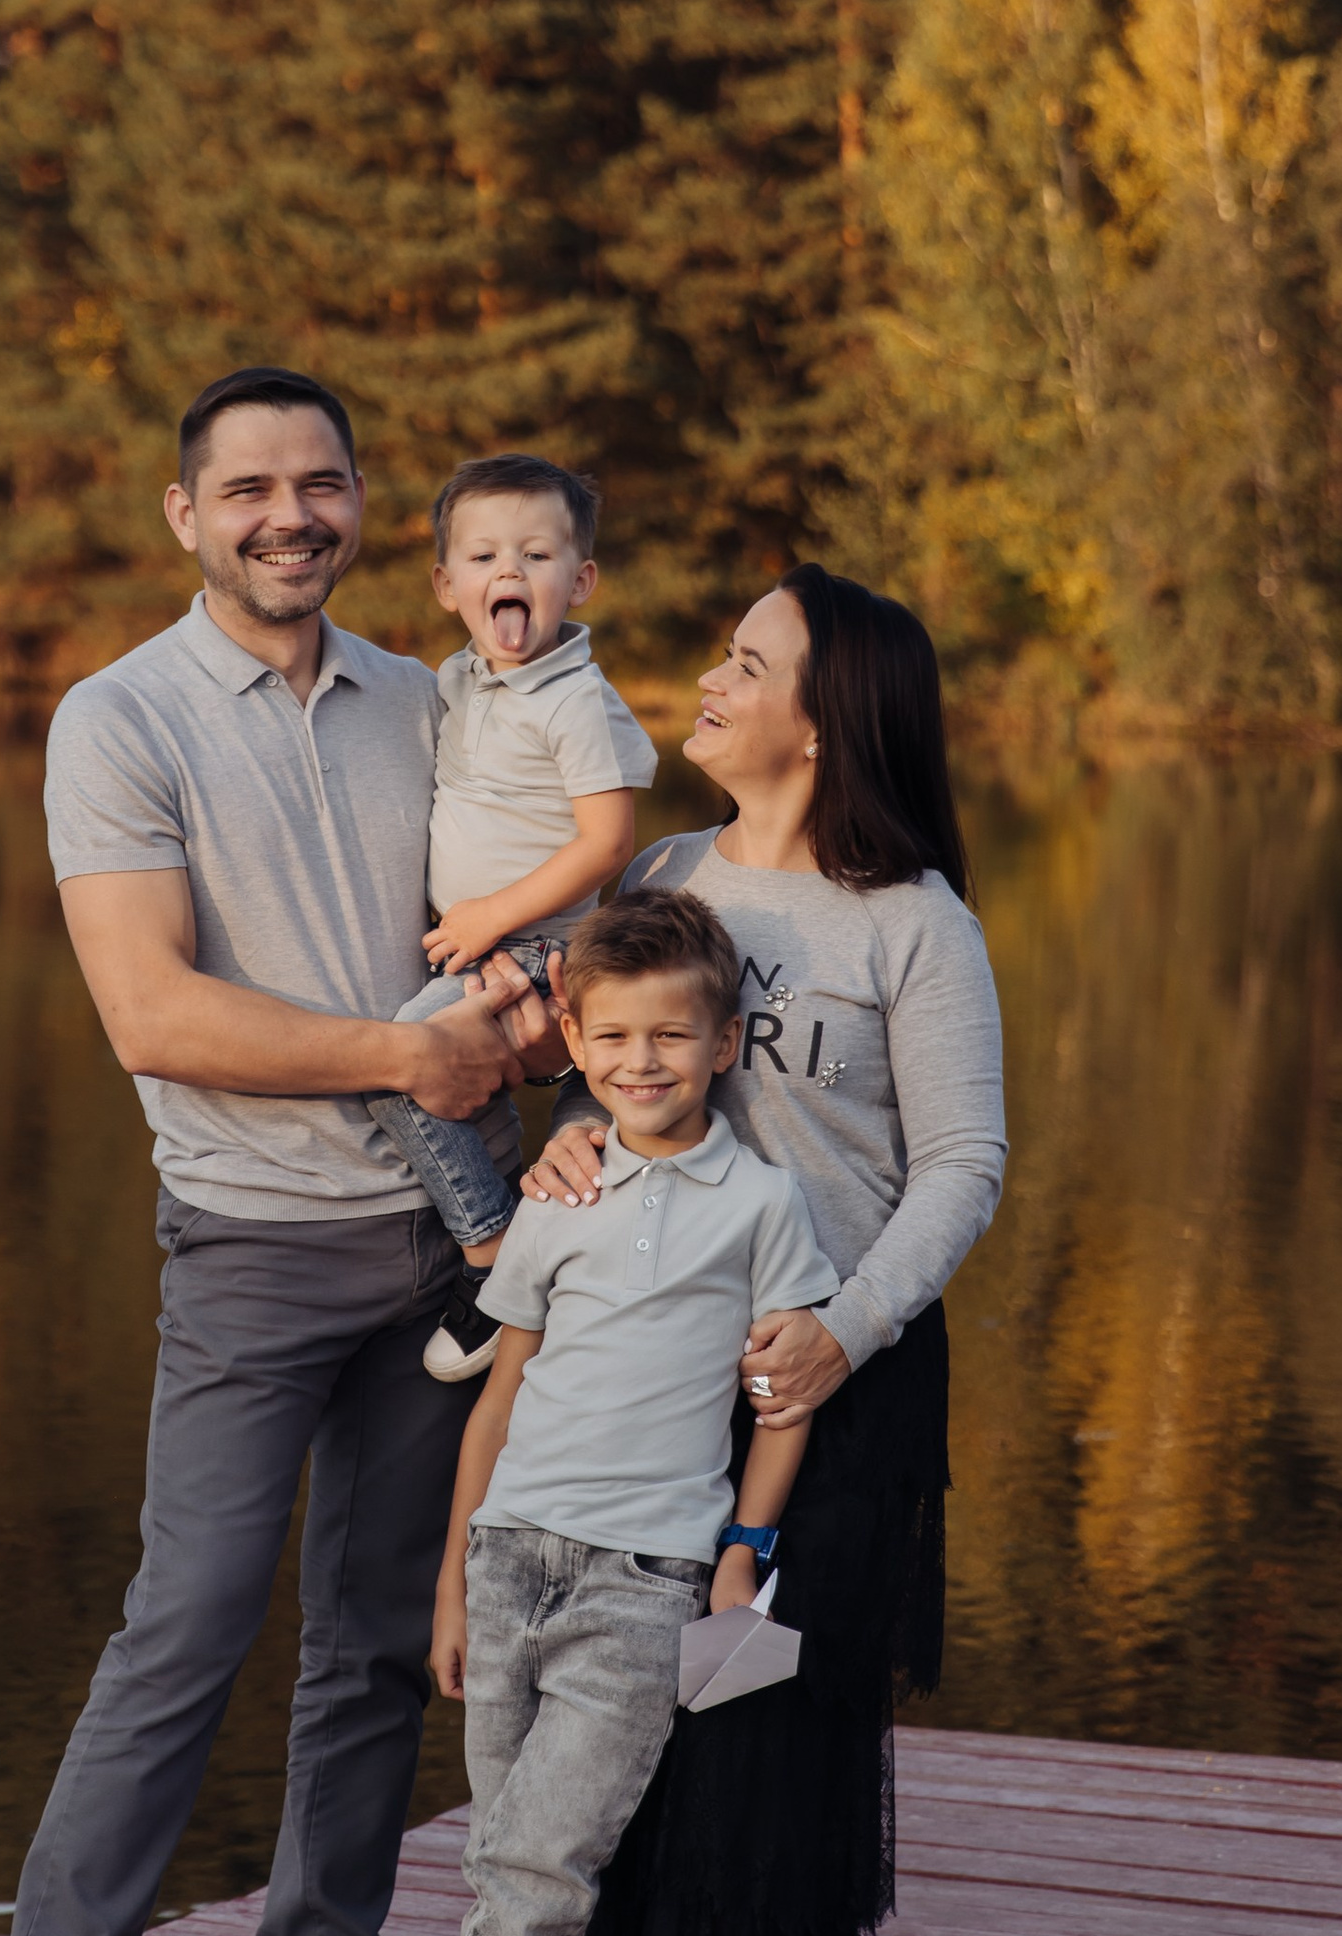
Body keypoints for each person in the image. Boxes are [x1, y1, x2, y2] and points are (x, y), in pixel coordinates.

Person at [17, 367, 568, 1936]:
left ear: (361, 504)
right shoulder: (119, 719)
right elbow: (151, 1013)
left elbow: (517, 922)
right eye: (249, 490)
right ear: (185, 514)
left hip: (455, 1254)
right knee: (185, 1627)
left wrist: (530, 1021)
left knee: (380, 1639)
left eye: (318, 484)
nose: (289, 516)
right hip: (253, 1249)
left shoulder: (428, 697)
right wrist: (413, 1056)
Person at [521, 567, 1007, 1936]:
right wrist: (565, 1134)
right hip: (645, 1389)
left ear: (824, 722)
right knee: (627, 1745)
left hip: (829, 1403)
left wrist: (843, 1334)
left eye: (747, 663)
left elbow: (965, 1165)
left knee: (764, 1749)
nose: (710, 680)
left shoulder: (913, 921)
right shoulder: (666, 872)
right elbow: (604, 1064)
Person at [429, 888, 840, 1936]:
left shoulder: (762, 1205)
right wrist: (452, 1581)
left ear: (723, 1041)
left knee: (536, 1866)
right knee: (500, 1858)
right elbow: (499, 1396)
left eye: (670, 1034)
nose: (640, 1061)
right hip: (507, 1558)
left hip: (644, 1582)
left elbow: (779, 1403)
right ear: (571, 1035)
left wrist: (743, 1548)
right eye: (610, 1035)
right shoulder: (555, 1197)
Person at [364, 453, 658, 1382]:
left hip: (542, 944)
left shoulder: (577, 699)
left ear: (580, 581)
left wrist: (490, 913)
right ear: (448, 587)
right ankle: (518, 1235)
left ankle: (493, 1253)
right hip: (484, 943)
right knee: (406, 1060)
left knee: (400, 1059)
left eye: (535, 556)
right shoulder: (455, 680)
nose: (509, 573)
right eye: (484, 557)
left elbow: (607, 841)